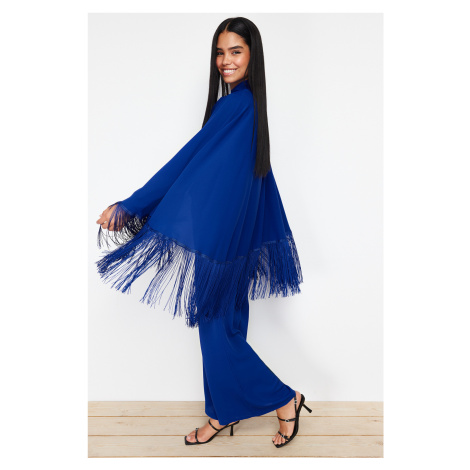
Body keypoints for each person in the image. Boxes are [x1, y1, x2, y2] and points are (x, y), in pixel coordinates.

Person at [95, 17, 311, 448]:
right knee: (227, 326)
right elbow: (225, 173)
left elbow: (186, 161)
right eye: (220, 52)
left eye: (236, 51)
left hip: (223, 239)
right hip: (237, 235)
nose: (225, 61)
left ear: (252, 55)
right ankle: (220, 412)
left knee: (215, 329)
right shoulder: (249, 106)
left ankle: (284, 398)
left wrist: (132, 204)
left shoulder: (237, 106)